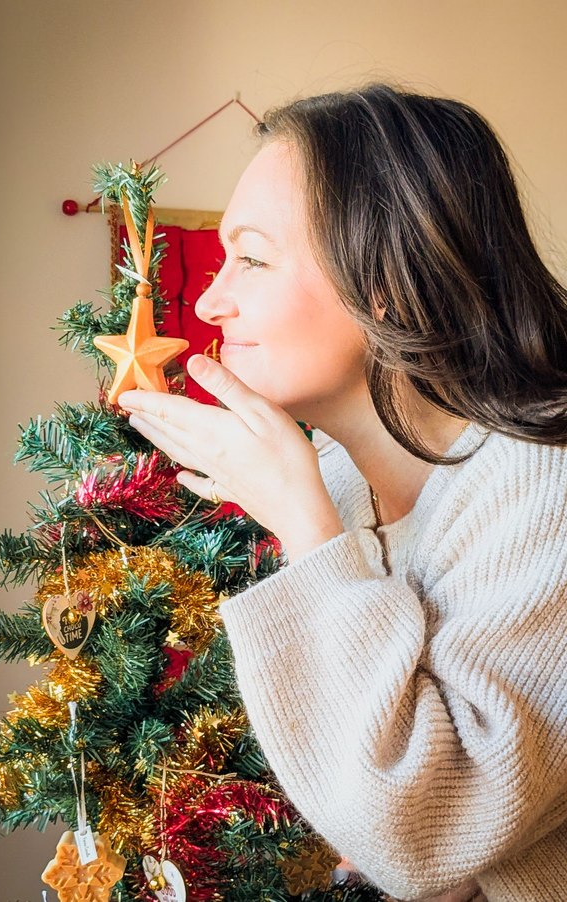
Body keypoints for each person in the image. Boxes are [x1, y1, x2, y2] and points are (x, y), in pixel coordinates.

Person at [194, 83, 567, 901]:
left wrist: (304, 527)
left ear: (385, 283)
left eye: (251, 258)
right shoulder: (338, 478)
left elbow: (426, 833)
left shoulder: (548, 484)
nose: (209, 300)